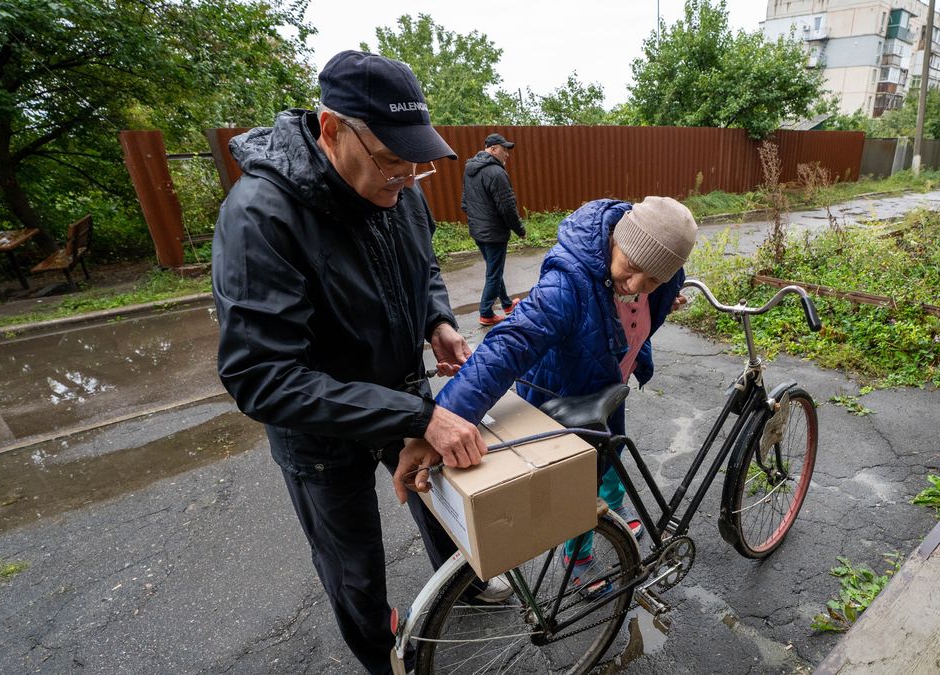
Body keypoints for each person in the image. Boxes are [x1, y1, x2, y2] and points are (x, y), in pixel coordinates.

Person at [211, 50, 503, 675]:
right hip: (320, 434)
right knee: (354, 568)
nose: (406, 177)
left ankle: (466, 585)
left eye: (416, 162)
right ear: (330, 130)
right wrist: (420, 416)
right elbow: (260, 377)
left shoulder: (400, 190)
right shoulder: (260, 216)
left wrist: (439, 322)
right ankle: (383, 655)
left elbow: (422, 267)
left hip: (401, 396)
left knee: (442, 504)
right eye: (391, 160)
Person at [393, 196, 697, 583]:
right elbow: (510, 345)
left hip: (607, 389)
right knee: (579, 488)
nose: (636, 285)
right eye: (632, 268)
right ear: (616, 241)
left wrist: (660, 298)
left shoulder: (656, 281)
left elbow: (639, 301)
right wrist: (442, 420)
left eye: (653, 280)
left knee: (613, 463)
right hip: (564, 398)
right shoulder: (570, 282)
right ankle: (579, 564)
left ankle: (614, 525)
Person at [462, 132, 526, 326]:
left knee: (494, 270)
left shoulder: (470, 169)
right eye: (504, 150)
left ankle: (506, 304)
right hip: (494, 233)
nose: (507, 154)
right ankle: (486, 313)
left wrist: (477, 221)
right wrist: (520, 230)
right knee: (494, 273)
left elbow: (465, 202)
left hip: (478, 230)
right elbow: (507, 206)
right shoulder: (496, 172)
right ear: (493, 149)